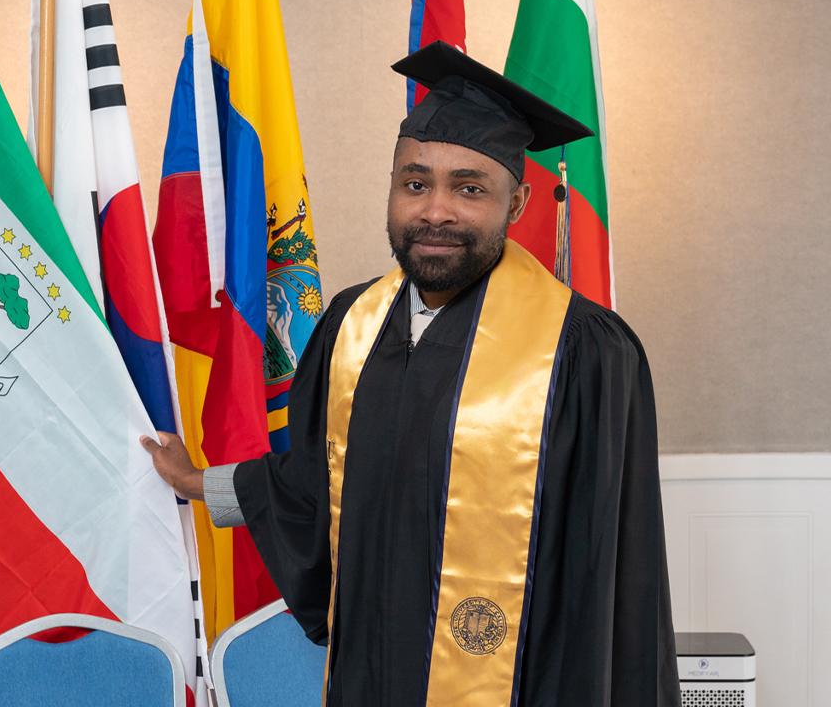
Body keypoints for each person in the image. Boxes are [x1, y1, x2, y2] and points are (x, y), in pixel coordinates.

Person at [142, 42, 680, 706]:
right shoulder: (351, 325)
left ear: (517, 205)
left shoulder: (584, 352)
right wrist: (199, 484)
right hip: (370, 677)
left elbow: (609, 573)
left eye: (470, 188)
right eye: (415, 183)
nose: (435, 211)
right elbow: (311, 486)